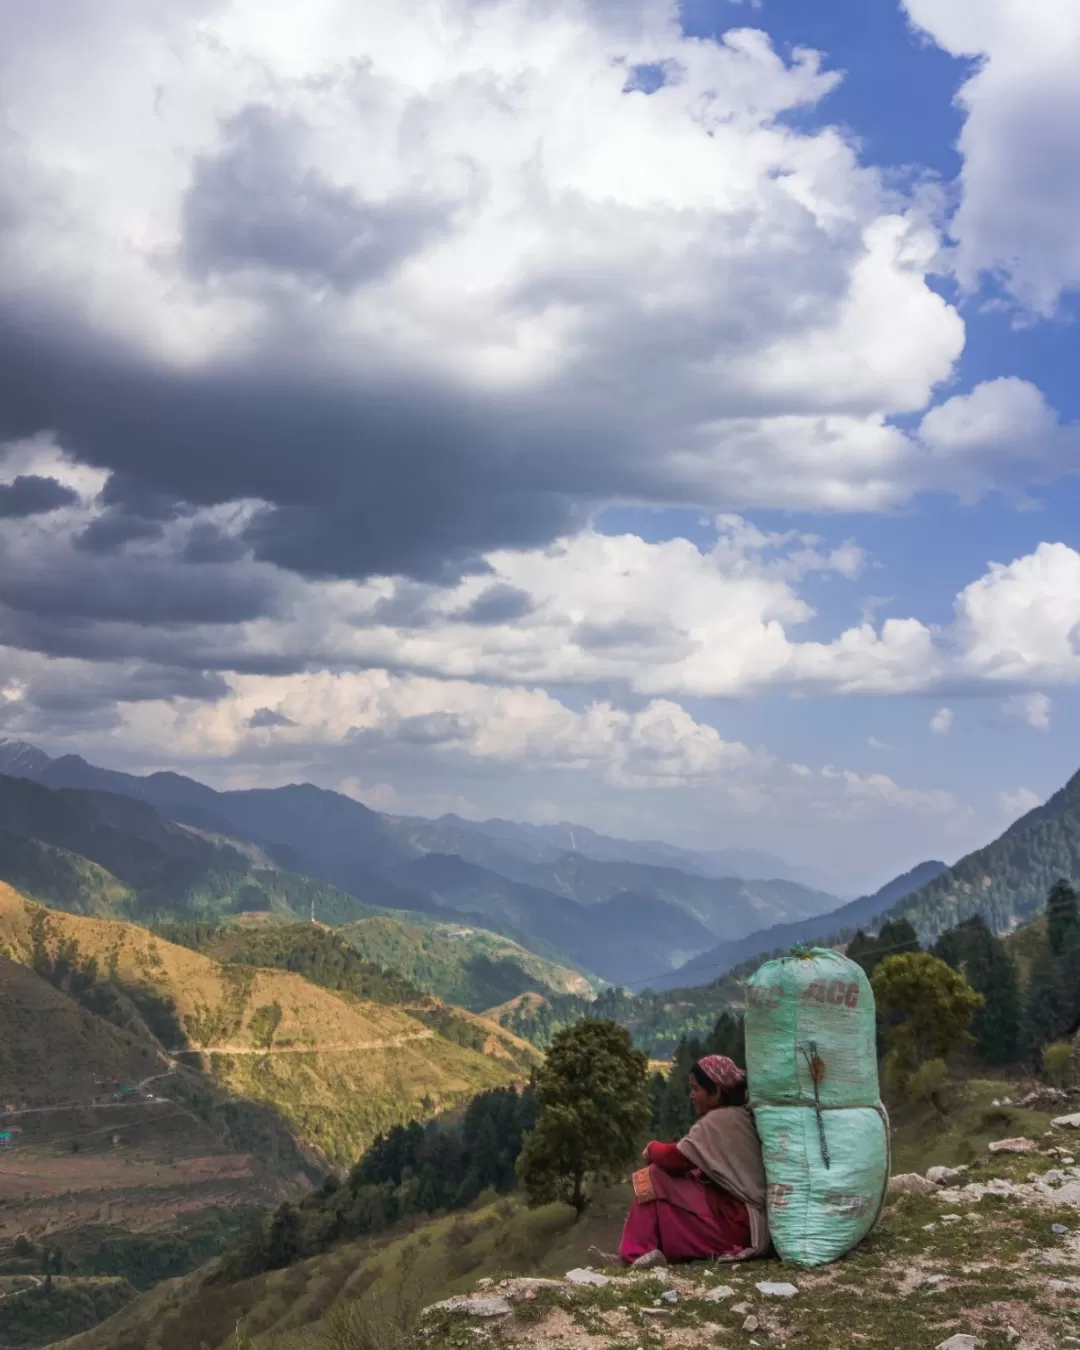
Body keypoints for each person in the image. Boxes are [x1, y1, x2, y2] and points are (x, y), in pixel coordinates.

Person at [597, 1054, 769, 1269]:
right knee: (675, 1179)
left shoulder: (719, 1121)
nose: (692, 1095)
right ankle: (637, 1253)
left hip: (737, 1225)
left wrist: (651, 1148)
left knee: (652, 1176)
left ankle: (634, 1254)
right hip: (742, 1223)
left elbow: (675, 1159)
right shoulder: (738, 1117)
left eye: (696, 1089)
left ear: (716, 1092)